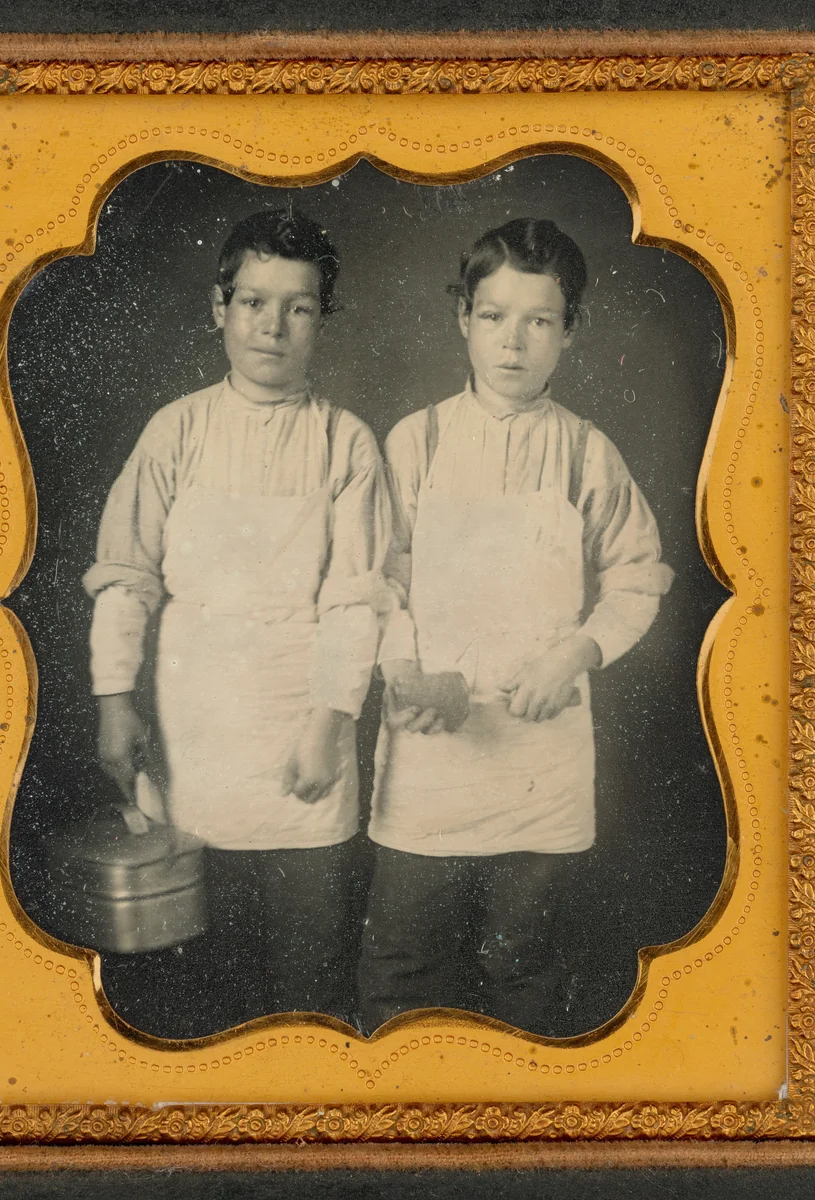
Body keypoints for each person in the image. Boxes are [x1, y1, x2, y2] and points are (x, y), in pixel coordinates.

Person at [359, 217, 674, 1033]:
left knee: (521, 962)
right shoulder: (415, 442)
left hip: (540, 762)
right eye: (494, 316)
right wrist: (404, 672)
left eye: (539, 320)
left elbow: (640, 573)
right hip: (430, 753)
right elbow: (377, 580)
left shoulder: (585, 453)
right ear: (463, 318)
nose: (513, 342)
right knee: (400, 963)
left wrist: (575, 651)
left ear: (569, 332)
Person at [83, 209, 394, 1026]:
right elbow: (125, 577)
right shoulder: (175, 431)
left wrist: (331, 722)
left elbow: (355, 598)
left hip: (304, 739)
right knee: (197, 985)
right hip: (193, 741)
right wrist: (115, 699)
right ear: (218, 308)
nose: (273, 325)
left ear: (321, 320)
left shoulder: (345, 443)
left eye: (297, 306)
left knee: (306, 983)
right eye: (254, 302)